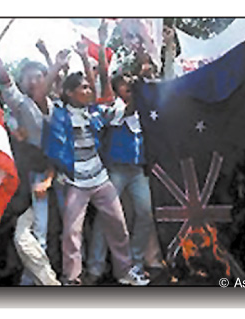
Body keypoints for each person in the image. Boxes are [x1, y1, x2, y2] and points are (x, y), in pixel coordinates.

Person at [0, 19, 67, 285]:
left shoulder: (58, 106)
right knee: (36, 231)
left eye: (39, 75)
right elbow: (4, 80)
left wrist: (49, 58)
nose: (33, 80)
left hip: (62, 176)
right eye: (27, 76)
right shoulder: (22, 106)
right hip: (34, 177)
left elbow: (59, 83)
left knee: (64, 230)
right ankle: (32, 283)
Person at [43, 71, 150, 286]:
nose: (88, 90)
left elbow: (119, 108)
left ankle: (124, 271)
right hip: (76, 183)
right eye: (83, 88)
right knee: (72, 232)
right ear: (69, 93)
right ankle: (72, 278)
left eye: (88, 87)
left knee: (118, 225)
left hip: (100, 179)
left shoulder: (95, 112)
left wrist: (140, 90)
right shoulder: (59, 114)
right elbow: (52, 144)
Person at [85, 20, 166, 284]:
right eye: (123, 84)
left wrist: (145, 52)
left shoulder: (145, 108)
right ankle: (95, 268)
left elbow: (152, 78)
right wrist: (102, 39)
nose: (128, 86)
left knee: (146, 213)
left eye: (131, 84)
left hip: (138, 172)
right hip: (116, 172)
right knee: (106, 218)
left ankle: (135, 262)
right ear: (117, 90)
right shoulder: (115, 109)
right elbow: (109, 83)